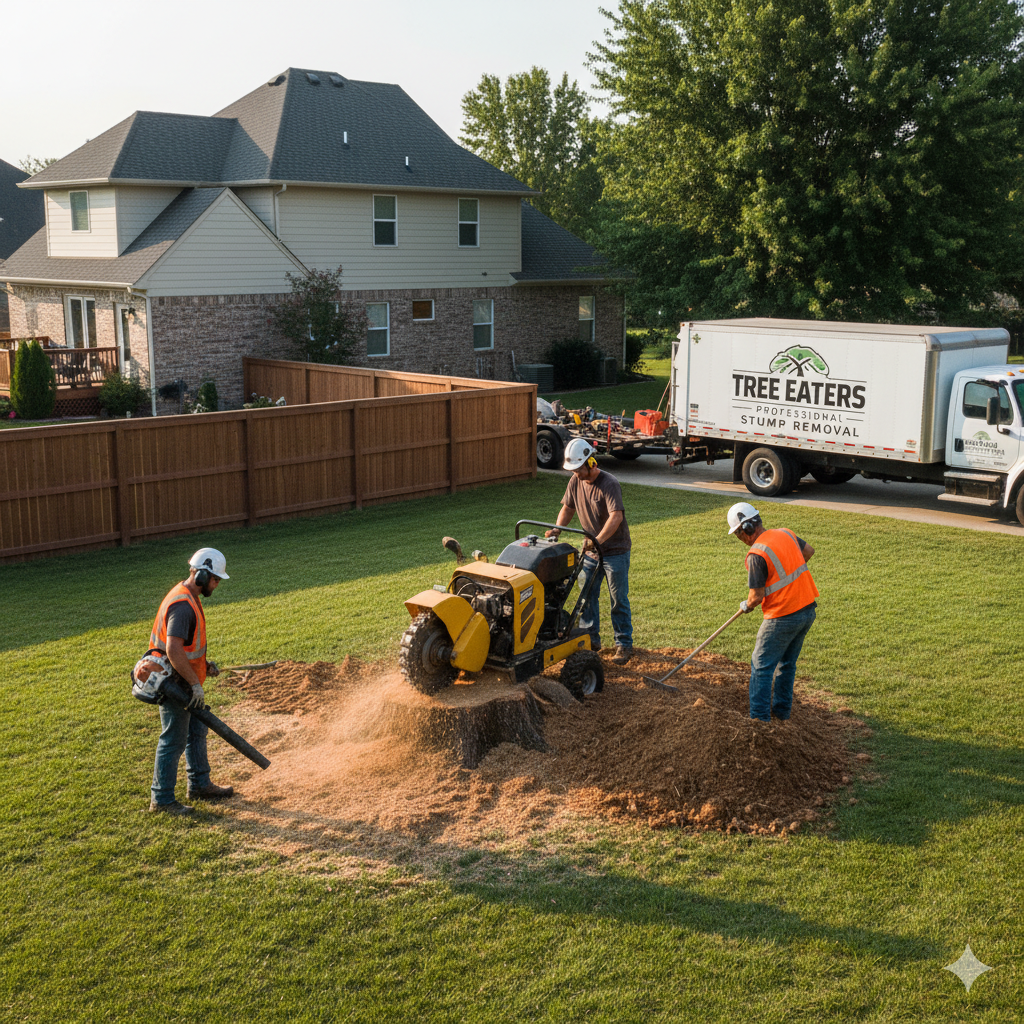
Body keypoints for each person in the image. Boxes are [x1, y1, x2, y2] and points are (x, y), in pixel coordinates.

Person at [147, 547, 234, 815]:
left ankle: (199, 784)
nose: (217, 585)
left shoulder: (189, 597)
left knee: (196, 731)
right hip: (175, 685)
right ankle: (161, 801)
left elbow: (185, 649)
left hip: (186, 680)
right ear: (202, 575)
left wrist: (203, 667)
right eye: (215, 579)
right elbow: (173, 651)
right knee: (173, 739)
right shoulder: (183, 606)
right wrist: (195, 684)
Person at [728, 502, 818, 722]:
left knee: (761, 666)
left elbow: (756, 597)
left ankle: (759, 721)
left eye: (739, 534)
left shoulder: (756, 554)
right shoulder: (785, 533)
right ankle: (781, 714)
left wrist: (746, 605)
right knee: (787, 664)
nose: (740, 539)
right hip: (807, 610)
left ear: (747, 529)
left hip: (783, 616)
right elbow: (808, 552)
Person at [546, 438, 633, 664]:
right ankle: (590, 640)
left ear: (591, 462)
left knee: (618, 599)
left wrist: (598, 540)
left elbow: (616, 516)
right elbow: (567, 507)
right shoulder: (575, 482)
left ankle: (623, 644)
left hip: (615, 551)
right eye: (573, 470)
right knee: (587, 597)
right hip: (592, 552)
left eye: (578, 469)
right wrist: (557, 530)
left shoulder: (609, 483)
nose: (576, 474)